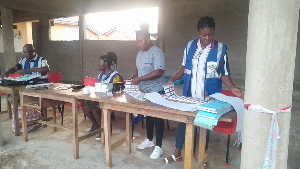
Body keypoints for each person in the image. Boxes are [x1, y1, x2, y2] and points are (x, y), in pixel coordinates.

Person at [162, 16, 244, 164]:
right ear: (198, 33)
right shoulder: (190, 46)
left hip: (209, 97)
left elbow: (224, 72)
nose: (207, 38)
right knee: (183, 122)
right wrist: (173, 79)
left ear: (214, 32)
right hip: (190, 95)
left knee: (204, 127)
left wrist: (232, 87)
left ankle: (202, 157)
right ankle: (177, 153)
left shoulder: (220, 49)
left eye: (211, 35)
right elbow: (184, 67)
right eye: (204, 35)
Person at [129, 23, 166, 159]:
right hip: (144, 92)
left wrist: (140, 78)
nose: (139, 44)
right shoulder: (140, 54)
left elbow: (158, 71)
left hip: (157, 91)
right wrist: (133, 77)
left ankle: (159, 146)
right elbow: (138, 68)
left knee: (157, 117)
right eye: (137, 42)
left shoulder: (157, 53)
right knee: (148, 116)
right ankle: (150, 140)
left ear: (148, 39)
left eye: (141, 41)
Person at [82, 52, 122, 141]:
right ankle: (98, 126)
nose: (98, 65)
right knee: (86, 108)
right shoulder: (100, 75)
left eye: (100, 63)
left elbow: (117, 91)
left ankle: (103, 130)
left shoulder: (115, 75)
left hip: (110, 100)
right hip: (99, 99)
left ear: (106, 64)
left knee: (94, 109)